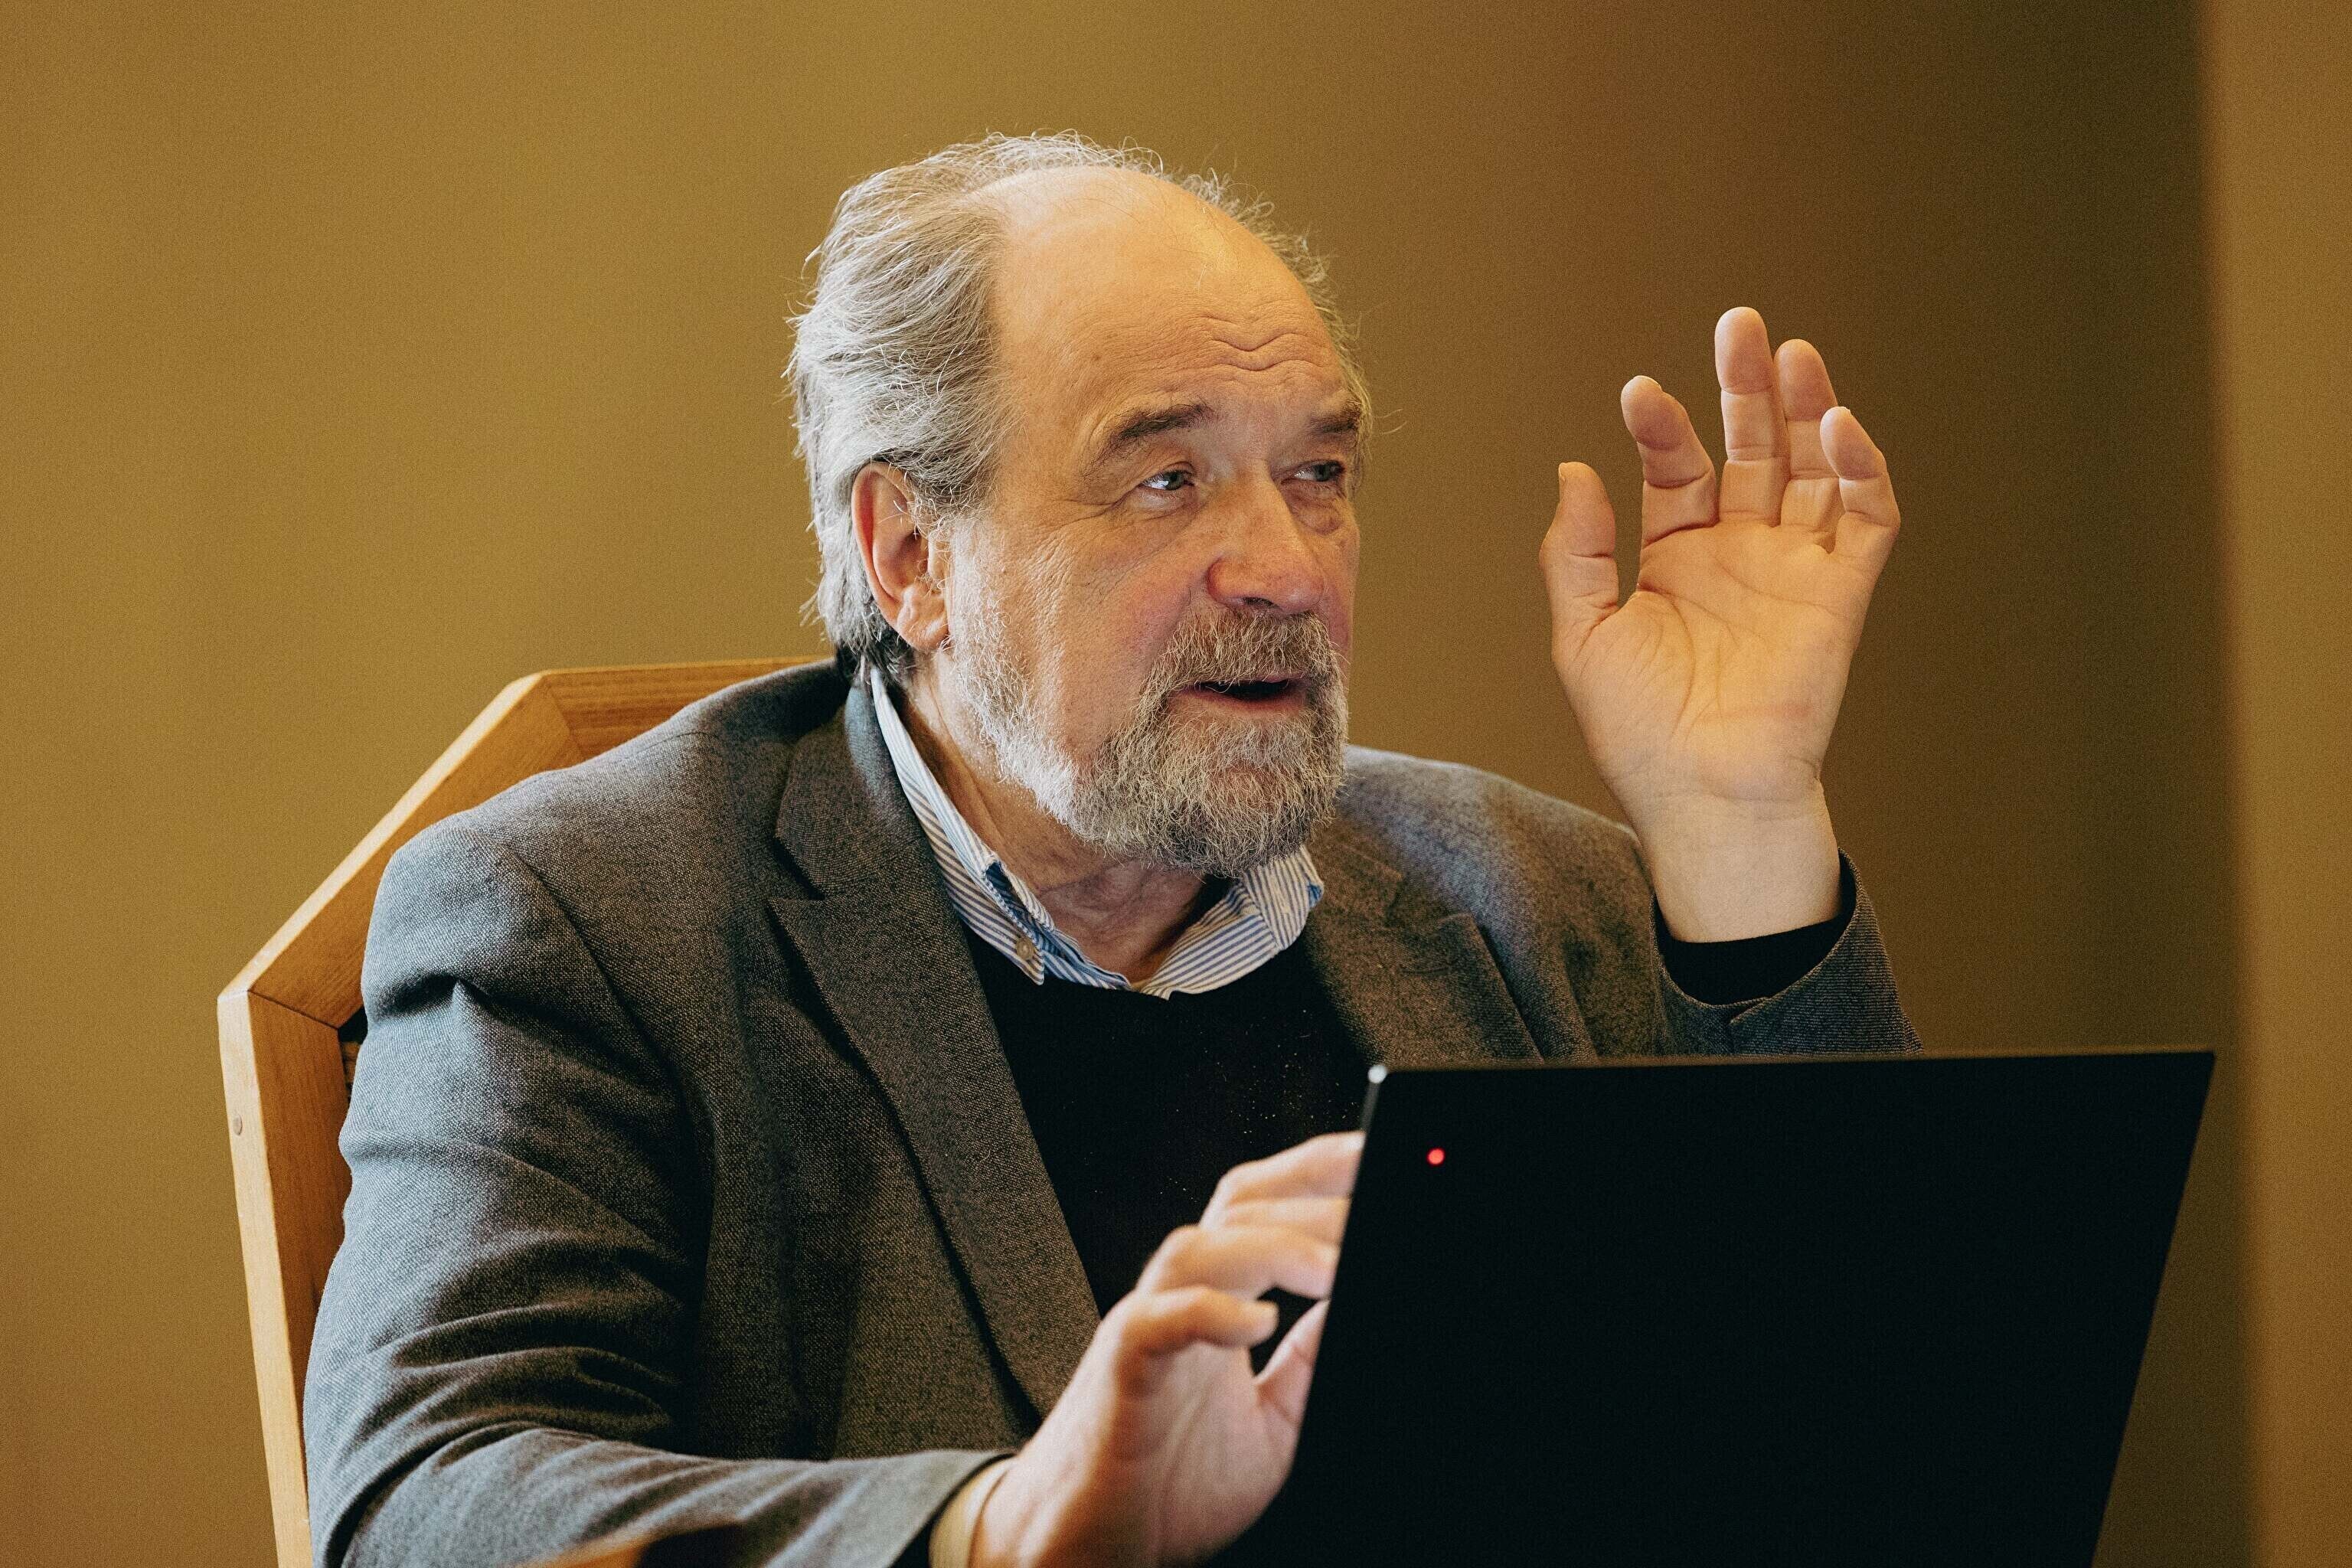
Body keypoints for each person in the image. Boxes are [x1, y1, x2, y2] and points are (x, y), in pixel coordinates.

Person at [305, 132, 1919, 1568]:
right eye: (1166, 479)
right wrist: (999, 1528)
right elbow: (424, 1501)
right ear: (912, 555)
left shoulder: (1527, 900)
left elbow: (1877, 1413)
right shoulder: (590, 921)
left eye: (1318, 475)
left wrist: (1742, 827)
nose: (1285, 567)